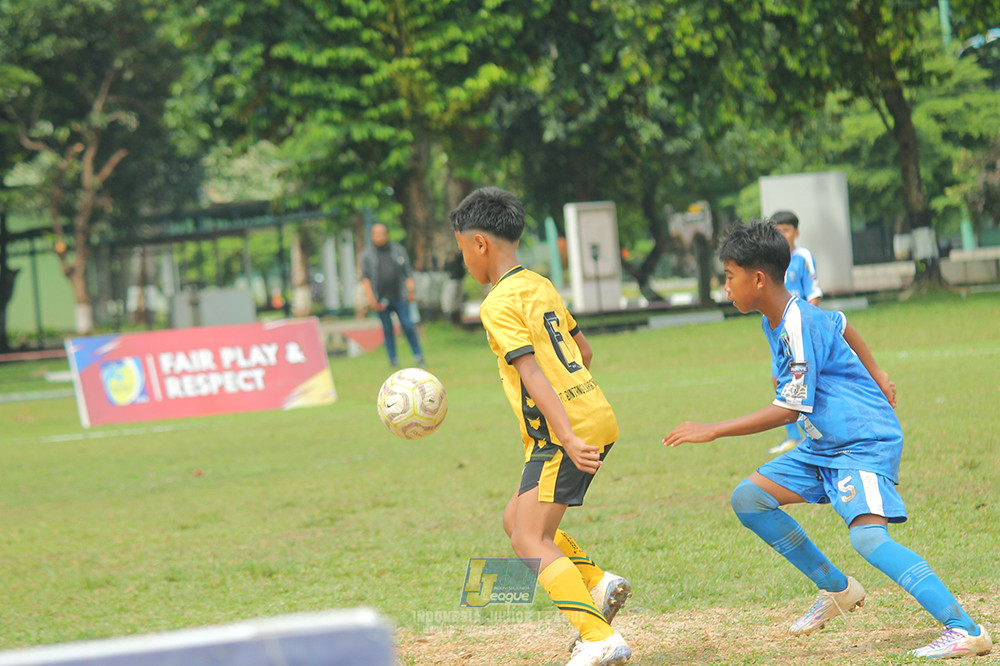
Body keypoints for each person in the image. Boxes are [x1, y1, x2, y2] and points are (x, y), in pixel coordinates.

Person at [663, 220, 992, 660]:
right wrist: (878, 372)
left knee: (869, 540)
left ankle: (964, 629)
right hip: (823, 445)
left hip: (859, 441)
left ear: (757, 279)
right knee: (749, 499)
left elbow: (789, 408)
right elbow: (841, 323)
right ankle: (838, 590)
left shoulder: (796, 322)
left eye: (728, 276)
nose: (725, 287)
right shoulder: (779, 317)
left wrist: (714, 429)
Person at [450, 187, 632, 666]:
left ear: (479, 244)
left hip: (562, 434)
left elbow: (531, 373)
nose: (464, 259)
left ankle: (598, 638)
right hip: (593, 413)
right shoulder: (538, 283)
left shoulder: (496, 304)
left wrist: (567, 435)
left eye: (461, 247)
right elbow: (583, 351)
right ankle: (597, 582)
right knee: (515, 520)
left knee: (530, 539)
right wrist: (578, 409)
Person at [768, 210, 823, 456]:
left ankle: (813, 433)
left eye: (786, 230)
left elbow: (814, 293)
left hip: (798, 332)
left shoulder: (802, 257)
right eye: (777, 230)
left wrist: (804, 323)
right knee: (777, 379)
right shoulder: (769, 260)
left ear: (796, 232)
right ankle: (793, 436)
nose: (782, 235)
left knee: (801, 380)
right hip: (776, 332)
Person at [360, 223, 425, 368]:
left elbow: (407, 272)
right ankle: (393, 360)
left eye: (382, 233)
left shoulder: (397, 250)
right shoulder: (367, 254)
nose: (380, 237)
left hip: (400, 296)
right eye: (377, 234)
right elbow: (365, 279)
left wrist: (411, 290)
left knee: (408, 325)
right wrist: (371, 299)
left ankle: (418, 355)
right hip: (381, 299)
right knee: (387, 329)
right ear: (372, 236)